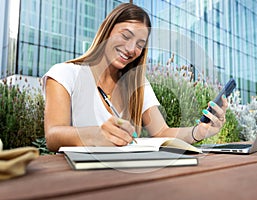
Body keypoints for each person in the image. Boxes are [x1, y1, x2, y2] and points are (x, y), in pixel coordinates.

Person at [42, 3, 228, 152]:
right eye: (125, 36)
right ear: (107, 31)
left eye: (140, 44)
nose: (131, 49)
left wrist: (200, 131)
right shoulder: (65, 74)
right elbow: (53, 136)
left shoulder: (138, 85)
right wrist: (95, 135)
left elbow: (161, 132)